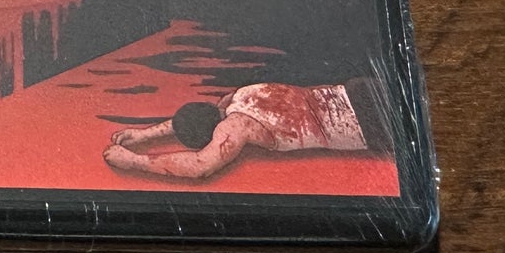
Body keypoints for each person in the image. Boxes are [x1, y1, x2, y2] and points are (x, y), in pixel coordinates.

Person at [103, 80, 373, 181]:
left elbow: (200, 165)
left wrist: (134, 161)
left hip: (366, 122)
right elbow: (195, 117)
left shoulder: (235, 126)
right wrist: (144, 134)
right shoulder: (241, 94)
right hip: (357, 90)